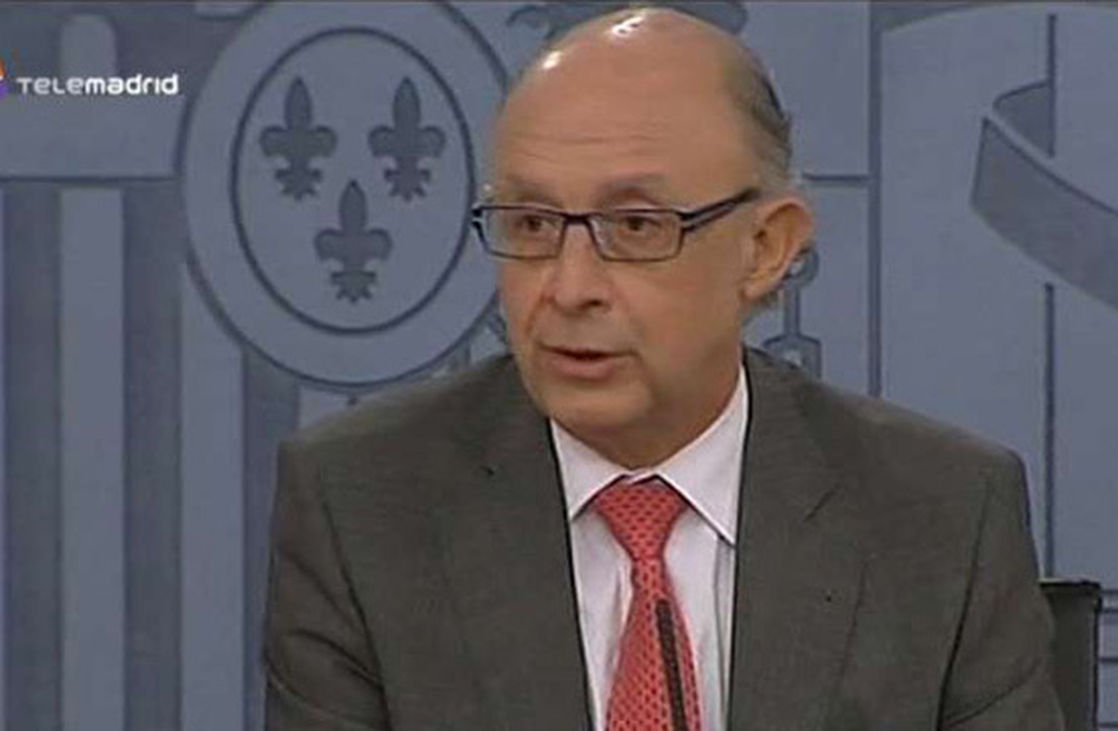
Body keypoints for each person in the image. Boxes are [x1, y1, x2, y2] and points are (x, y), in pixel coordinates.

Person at [264, 7, 1065, 730]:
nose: (568, 288)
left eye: (636, 226)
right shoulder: (363, 503)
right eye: (532, 223)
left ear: (765, 248)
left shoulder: (938, 514)